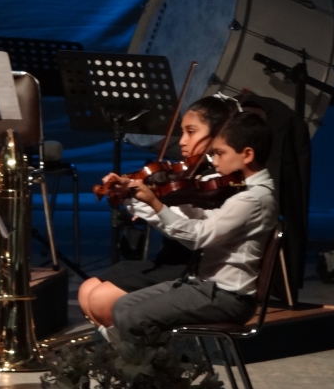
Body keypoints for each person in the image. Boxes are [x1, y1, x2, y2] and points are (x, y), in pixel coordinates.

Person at [79, 112, 276, 344]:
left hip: (226, 296)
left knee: (133, 316)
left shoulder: (253, 199)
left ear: (247, 155)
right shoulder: (243, 191)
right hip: (204, 286)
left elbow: (198, 237)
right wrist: (175, 197)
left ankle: (146, 363)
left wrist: (155, 202)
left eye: (220, 153)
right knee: (123, 306)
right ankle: (139, 360)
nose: (214, 161)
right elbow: (204, 219)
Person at [84, 96, 233, 296]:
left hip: (194, 266)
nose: (182, 141)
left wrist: (146, 201)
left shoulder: (216, 181)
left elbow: (186, 231)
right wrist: (132, 195)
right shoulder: (188, 173)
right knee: (88, 288)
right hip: (170, 259)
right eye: (182, 132)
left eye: (191, 132)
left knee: (100, 296)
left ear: (218, 132)